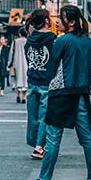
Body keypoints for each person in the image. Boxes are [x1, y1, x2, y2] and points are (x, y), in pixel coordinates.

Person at [34, 5, 91, 180]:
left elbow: (52, 67)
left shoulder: (61, 41)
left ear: (69, 22)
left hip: (61, 93)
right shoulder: (87, 41)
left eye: (60, 18)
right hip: (81, 93)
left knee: (53, 139)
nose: (57, 22)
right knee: (87, 139)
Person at [24, 9, 56, 160]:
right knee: (44, 116)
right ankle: (39, 146)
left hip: (32, 81)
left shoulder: (28, 40)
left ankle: (34, 142)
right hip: (46, 82)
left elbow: (28, 59)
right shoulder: (52, 39)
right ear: (46, 21)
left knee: (33, 115)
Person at [10, 26, 29, 105]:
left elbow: (11, 53)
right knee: (25, 80)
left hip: (17, 62)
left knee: (17, 79)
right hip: (26, 63)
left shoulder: (15, 41)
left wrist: (10, 63)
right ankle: (24, 97)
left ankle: (18, 95)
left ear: (20, 34)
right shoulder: (28, 41)